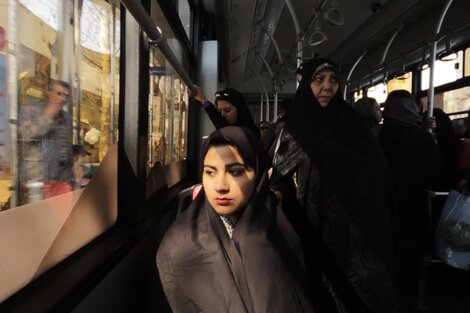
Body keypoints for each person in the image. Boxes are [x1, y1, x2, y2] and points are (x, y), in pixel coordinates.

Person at [270, 58, 399, 313]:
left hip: (353, 230)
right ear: (307, 84)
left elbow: (376, 171)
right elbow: (282, 175)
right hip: (309, 225)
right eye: (319, 80)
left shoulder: (352, 126)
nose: (327, 86)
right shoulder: (296, 127)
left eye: (333, 80)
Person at [156, 126, 315, 313]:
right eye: (210, 172)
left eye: (235, 172)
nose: (220, 186)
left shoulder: (279, 226)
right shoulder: (181, 245)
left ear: (258, 175)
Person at [378, 90, 453, 311]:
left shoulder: (377, 136)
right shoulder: (422, 138)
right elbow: (436, 174)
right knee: (411, 270)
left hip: (382, 211)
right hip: (413, 212)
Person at [18, 79, 73, 203]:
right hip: (37, 177)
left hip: (61, 178)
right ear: (48, 92)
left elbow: (66, 147)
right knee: (38, 216)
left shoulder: (65, 117)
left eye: (66, 96)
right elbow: (26, 135)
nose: (63, 99)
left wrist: (76, 160)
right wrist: (48, 115)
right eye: (59, 94)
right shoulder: (31, 110)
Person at [190, 87, 259, 134]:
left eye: (227, 110)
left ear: (240, 110)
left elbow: (227, 130)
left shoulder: (250, 132)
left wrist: (204, 100)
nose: (222, 115)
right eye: (219, 111)